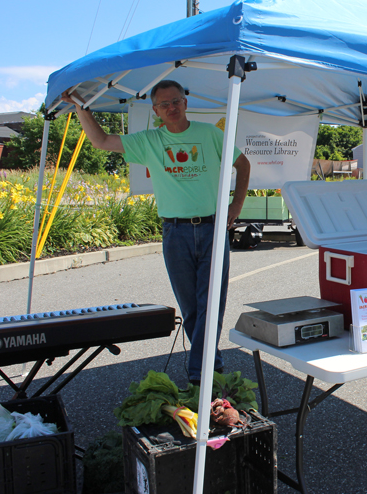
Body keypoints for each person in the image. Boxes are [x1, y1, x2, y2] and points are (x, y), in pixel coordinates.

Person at [61, 80, 251, 384]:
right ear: (156, 110)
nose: (171, 108)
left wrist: (236, 205)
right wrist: (81, 107)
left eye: (176, 101)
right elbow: (100, 141)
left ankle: (200, 377)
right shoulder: (149, 141)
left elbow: (243, 164)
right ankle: (211, 366)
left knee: (211, 304)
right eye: (164, 104)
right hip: (175, 232)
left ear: (185, 102)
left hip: (213, 228)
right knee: (191, 309)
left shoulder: (210, 134)